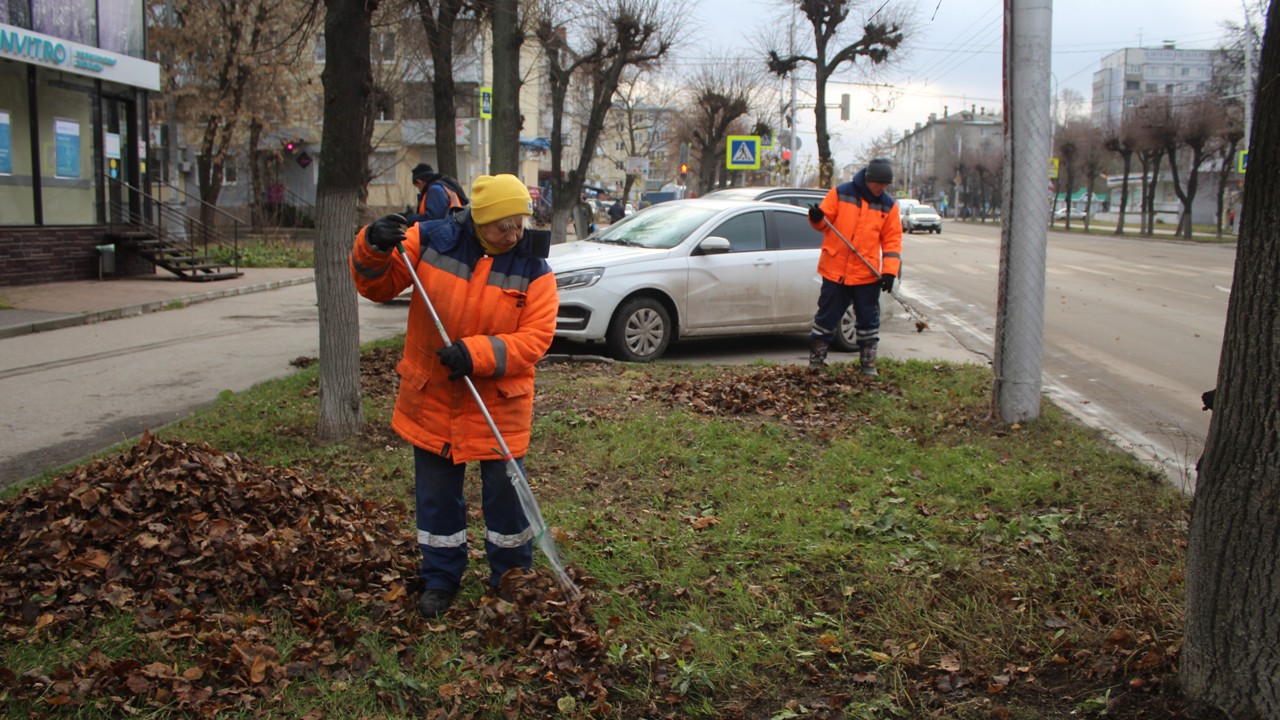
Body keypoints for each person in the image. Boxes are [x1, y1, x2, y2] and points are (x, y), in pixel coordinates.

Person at [350, 174, 559, 618]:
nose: (514, 234)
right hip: (432, 399)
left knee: (506, 501)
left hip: (497, 404)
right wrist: (372, 244)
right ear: (477, 220)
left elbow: (536, 338)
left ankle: (510, 579)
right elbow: (376, 285)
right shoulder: (429, 240)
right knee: (436, 498)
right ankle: (440, 578)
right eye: (502, 225)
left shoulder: (534, 268)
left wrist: (476, 353)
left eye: (519, 223)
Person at [805, 158, 903, 376]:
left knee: (868, 321)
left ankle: (868, 365)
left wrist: (889, 271)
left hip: (866, 274)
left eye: (886, 184)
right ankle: (816, 362)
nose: (882, 188)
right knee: (826, 318)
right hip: (835, 270)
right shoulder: (840, 193)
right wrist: (816, 217)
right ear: (869, 179)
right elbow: (823, 223)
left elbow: (892, 241)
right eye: (880, 183)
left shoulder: (888, 206)